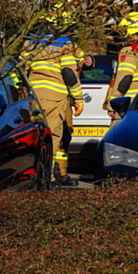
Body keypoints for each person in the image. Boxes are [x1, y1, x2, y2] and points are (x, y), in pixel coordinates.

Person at [23, 16, 84, 186]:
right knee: (53, 137)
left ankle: (31, 173)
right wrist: (78, 98)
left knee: (34, 135)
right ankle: (46, 177)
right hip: (55, 97)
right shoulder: (64, 45)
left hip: (33, 97)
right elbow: (69, 73)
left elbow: (22, 68)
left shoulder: (30, 43)